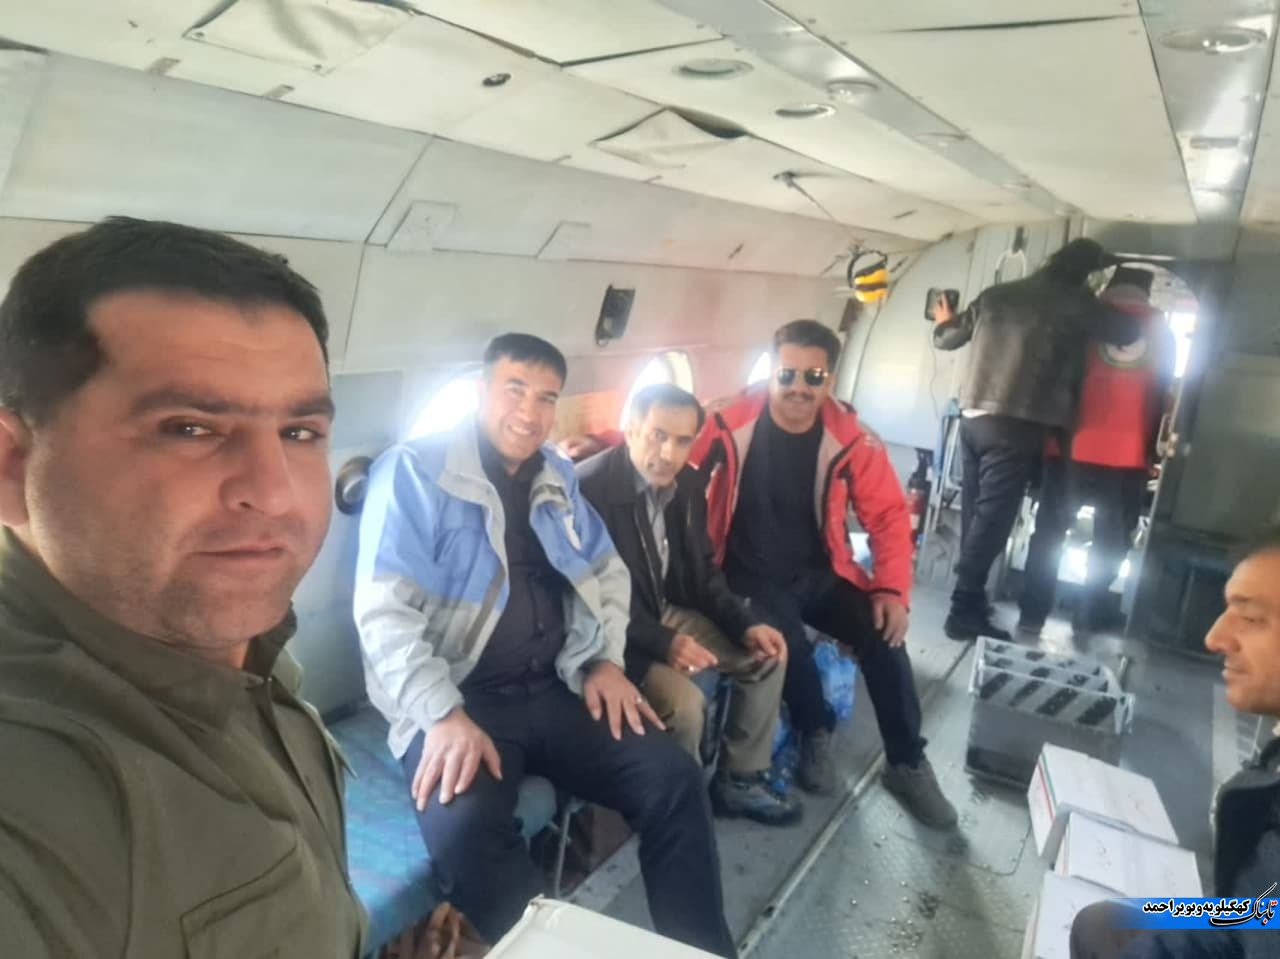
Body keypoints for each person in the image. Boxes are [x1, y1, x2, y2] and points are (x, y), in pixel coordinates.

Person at [0, 217, 365, 957]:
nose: (274, 493)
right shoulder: (29, 795)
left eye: (299, 432)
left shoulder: (244, 651)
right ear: (11, 466)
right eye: (190, 429)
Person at [354, 334, 736, 956]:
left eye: (546, 397)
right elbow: (382, 612)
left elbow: (607, 573)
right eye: (515, 390)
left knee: (674, 781)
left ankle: (702, 951)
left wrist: (604, 662)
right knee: (467, 833)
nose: (529, 413)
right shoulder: (416, 472)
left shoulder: (556, 475)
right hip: (461, 702)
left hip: (555, 686)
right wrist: (441, 715)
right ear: (482, 390)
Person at [689, 319, 958, 829]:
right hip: (745, 574)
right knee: (785, 638)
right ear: (772, 372)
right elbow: (668, 443)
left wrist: (892, 590)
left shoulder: (852, 438)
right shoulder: (728, 421)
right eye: (787, 374)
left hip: (822, 572)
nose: (798, 387)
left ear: (830, 380)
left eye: (813, 377)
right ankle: (816, 729)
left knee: (885, 637)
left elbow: (888, 517)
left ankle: (906, 762)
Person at [577, 383, 800, 826]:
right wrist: (663, 642)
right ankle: (677, 809)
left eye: (682, 441)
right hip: (604, 635)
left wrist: (744, 623)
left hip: (659, 610)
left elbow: (702, 575)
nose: (668, 453)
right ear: (631, 428)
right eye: (657, 435)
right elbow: (583, 600)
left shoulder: (687, 487)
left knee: (768, 655)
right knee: (684, 705)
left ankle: (738, 780)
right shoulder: (588, 491)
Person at [1069, 528, 1280, 959]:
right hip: (1256, 913)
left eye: (1253, 619)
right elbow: (1262, 913)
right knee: (1105, 923)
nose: (1215, 638)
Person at [931, 238, 1139, 642]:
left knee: (978, 516)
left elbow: (946, 339)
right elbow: (1127, 331)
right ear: (1089, 274)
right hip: (1017, 424)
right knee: (994, 520)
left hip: (972, 417)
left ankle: (972, 601)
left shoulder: (996, 295)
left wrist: (943, 320)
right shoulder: (1077, 302)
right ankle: (961, 612)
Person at [1019, 266, 1176, 634]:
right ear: (1147, 292)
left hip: (1068, 447)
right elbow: (1166, 392)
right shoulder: (1161, 330)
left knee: (1050, 534)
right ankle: (1088, 616)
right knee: (1110, 541)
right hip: (1128, 454)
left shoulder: (1081, 318)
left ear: (1109, 285)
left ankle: (1032, 614)